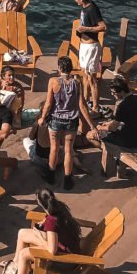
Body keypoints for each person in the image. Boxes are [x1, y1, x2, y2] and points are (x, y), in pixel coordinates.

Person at [0, 187, 81, 274]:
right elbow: (52, 221)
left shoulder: (52, 222)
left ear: (40, 202)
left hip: (64, 259)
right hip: (63, 245)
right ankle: (15, 265)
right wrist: (43, 223)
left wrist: (39, 235)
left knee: (24, 254)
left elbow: (51, 250)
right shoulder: (58, 207)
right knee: (22, 233)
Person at [38, 56, 92, 190]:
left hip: (56, 119)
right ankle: (68, 179)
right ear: (71, 68)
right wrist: (92, 126)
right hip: (71, 120)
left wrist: (42, 117)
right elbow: (82, 105)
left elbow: (49, 103)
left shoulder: (53, 81)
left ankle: (51, 176)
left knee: (54, 148)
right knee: (68, 150)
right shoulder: (77, 82)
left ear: (59, 68)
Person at [87, 75, 137, 175]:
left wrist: (100, 127)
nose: (112, 95)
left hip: (128, 141)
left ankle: (112, 152)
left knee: (90, 135)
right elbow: (122, 120)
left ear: (122, 92)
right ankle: (116, 157)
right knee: (109, 130)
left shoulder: (123, 105)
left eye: (114, 93)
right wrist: (108, 123)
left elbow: (112, 128)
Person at [23, 101, 85, 174]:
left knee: (26, 140)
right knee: (66, 147)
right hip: (59, 159)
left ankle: (49, 168)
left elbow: (31, 137)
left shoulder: (38, 123)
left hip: (42, 160)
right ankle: (75, 162)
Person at [72, 0, 107, 109]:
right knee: (85, 75)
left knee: (91, 78)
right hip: (83, 45)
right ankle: (86, 101)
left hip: (91, 47)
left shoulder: (92, 9)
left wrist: (85, 29)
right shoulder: (84, 7)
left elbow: (103, 27)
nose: (75, 1)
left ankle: (96, 107)